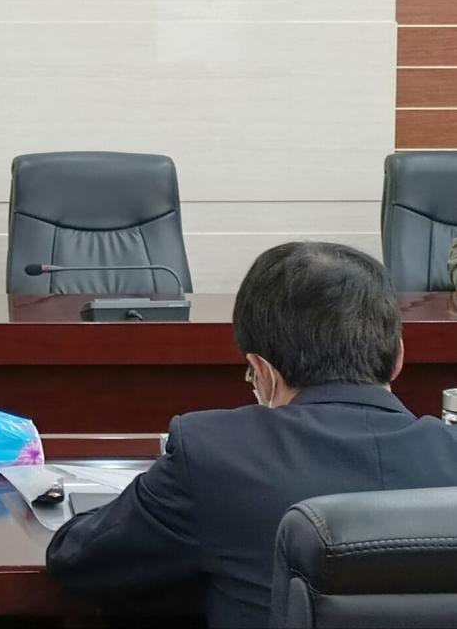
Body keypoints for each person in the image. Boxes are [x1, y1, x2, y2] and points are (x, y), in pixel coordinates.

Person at [47, 240, 457, 628]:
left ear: (262, 371)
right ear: (399, 356)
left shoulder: (214, 453)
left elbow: (78, 559)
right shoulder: (449, 452)